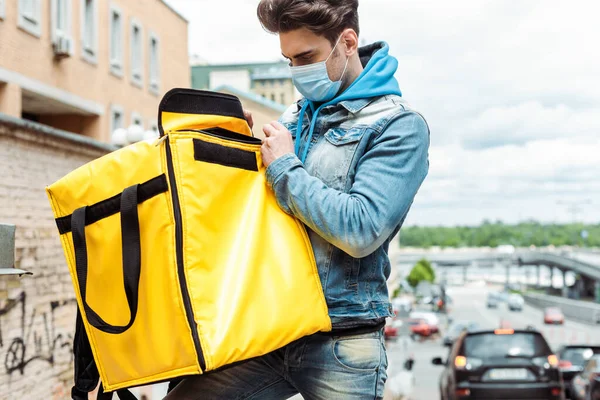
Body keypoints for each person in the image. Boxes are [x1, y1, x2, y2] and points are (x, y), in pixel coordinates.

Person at [165, 0, 429, 399]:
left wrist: (285, 165)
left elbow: (361, 228)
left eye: (306, 56)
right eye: (288, 60)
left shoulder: (397, 126)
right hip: (269, 327)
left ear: (347, 41)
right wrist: (237, 149)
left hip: (341, 338)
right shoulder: (294, 117)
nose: (296, 71)